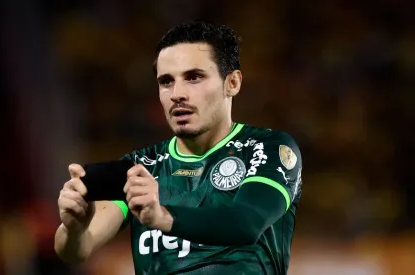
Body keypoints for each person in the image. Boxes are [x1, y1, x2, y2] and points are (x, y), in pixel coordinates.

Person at [55, 21, 303, 275]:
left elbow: (246, 222)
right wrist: (73, 229)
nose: (177, 94)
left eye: (194, 77)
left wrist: (161, 217)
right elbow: (76, 250)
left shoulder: (267, 148)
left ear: (232, 83)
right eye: (166, 82)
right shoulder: (140, 167)